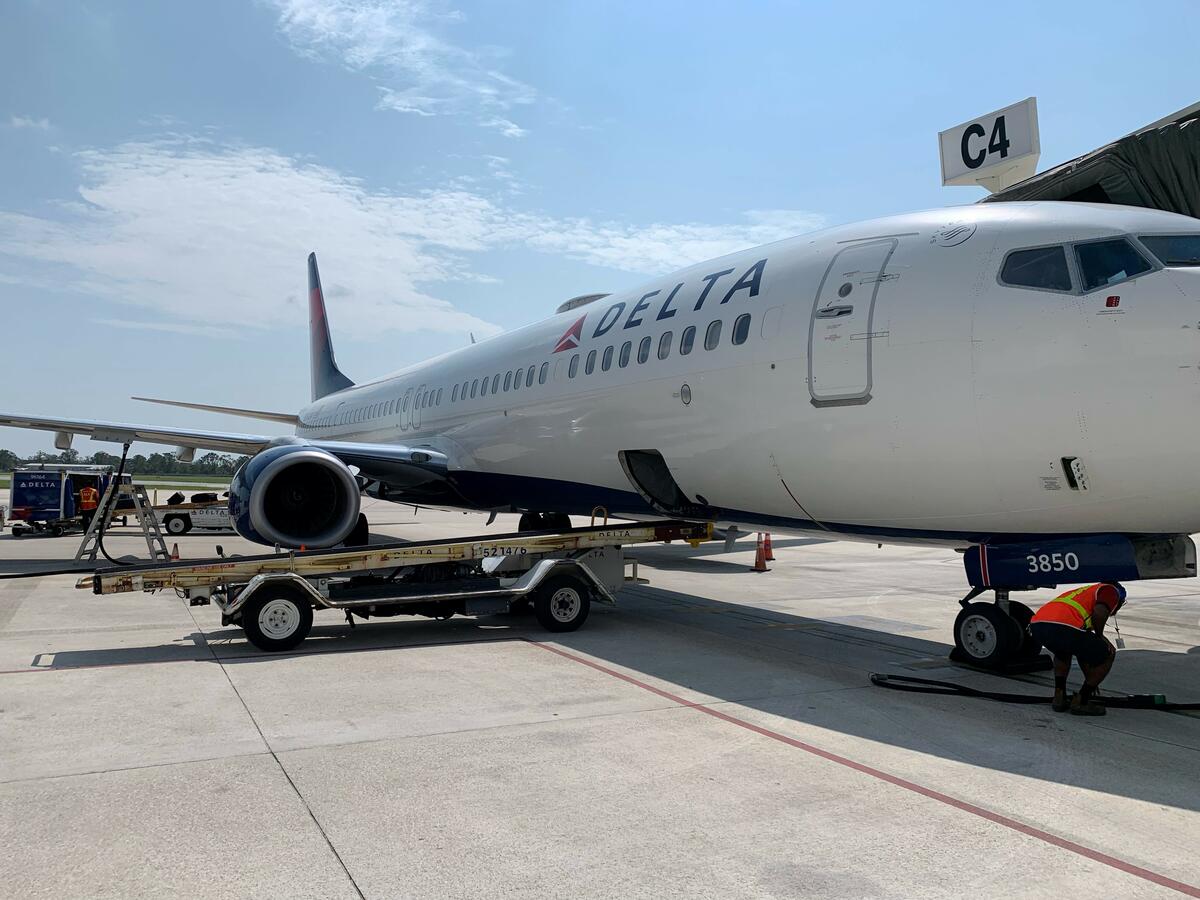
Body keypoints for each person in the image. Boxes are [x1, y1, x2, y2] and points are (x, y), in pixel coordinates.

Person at [1029, 582, 1126, 716]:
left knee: (1063, 652)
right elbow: (1100, 612)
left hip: (1038, 625)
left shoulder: (1085, 592)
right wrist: (1100, 636)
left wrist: (1090, 678)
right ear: (1120, 601)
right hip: (1064, 626)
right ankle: (1081, 701)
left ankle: (1059, 696)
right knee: (1109, 653)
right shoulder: (1111, 590)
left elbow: (1082, 651)